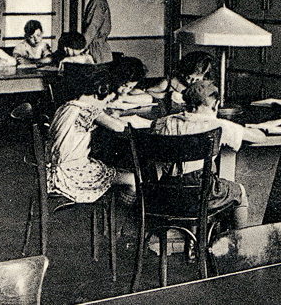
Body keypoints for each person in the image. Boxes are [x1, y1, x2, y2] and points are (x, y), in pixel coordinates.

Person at [150, 80, 262, 229]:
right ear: (215, 104)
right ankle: (237, 246)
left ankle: (192, 242)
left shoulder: (163, 122)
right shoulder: (218, 125)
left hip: (165, 193)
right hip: (199, 195)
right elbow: (258, 137)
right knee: (239, 191)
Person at [47, 66, 133, 203]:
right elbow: (118, 127)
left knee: (114, 170)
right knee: (132, 179)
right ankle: (122, 217)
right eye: (105, 101)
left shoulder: (68, 106)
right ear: (98, 94)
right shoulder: (87, 110)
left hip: (53, 170)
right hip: (71, 174)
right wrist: (113, 117)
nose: (104, 105)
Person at [142, 50, 215, 114]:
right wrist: (167, 95)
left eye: (197, 80)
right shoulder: (169, 82)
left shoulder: (205, 86)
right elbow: (147, 92)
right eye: (189, 78)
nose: (192, 82)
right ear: (184, 72)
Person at [69, 0, 112, 64]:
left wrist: (80, 49)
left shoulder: (98, 2)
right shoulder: (95, 1)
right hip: (95, 48)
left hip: (98, 50)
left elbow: (92, 28)